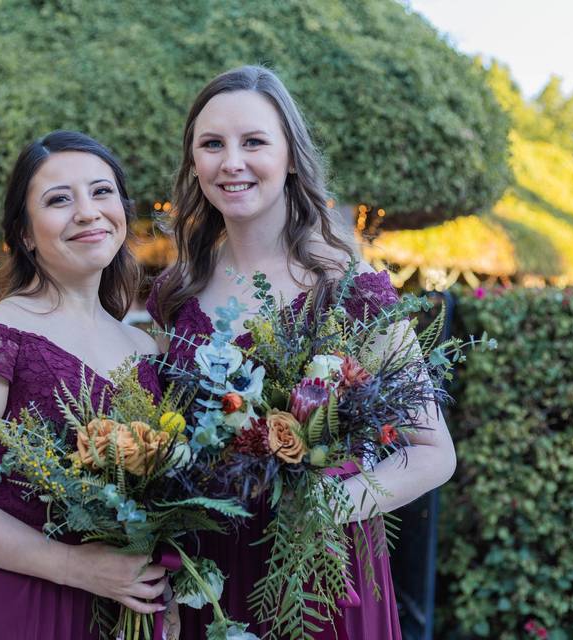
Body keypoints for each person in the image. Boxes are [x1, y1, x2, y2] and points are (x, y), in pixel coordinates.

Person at [147, 66, 457, 639]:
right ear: (193, 163)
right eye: (211, 144)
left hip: (322, 573)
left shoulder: (352, 288)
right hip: (211, 573)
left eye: (254, 142)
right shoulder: (175, 292)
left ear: (291, 156)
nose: (230, 162)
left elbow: (434, 450)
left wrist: (328, 507)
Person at [0, 131, 174, 639]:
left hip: (122, 610)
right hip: (17, 605)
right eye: (58, 200)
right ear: (25, 234)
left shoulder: (147, 350)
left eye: (101, 192)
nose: (88, 212)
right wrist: (74, 567)